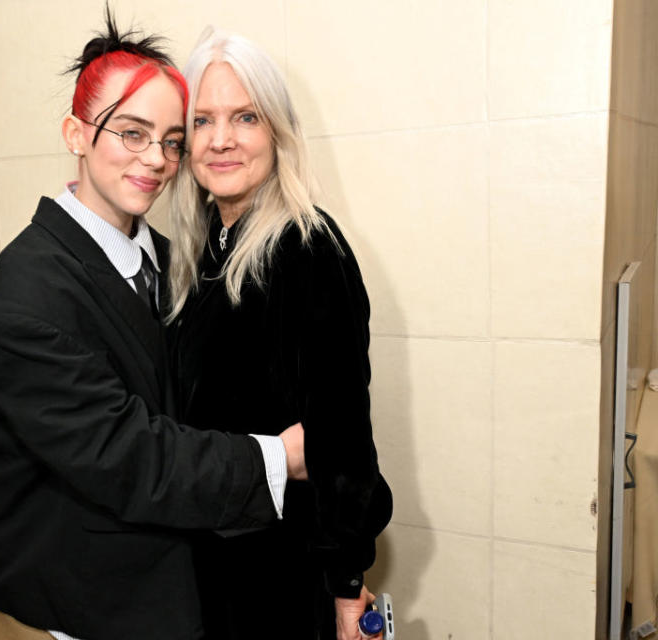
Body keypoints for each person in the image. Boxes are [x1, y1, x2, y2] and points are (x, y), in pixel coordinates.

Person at [0, 13, 306, 640]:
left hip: (154, 599)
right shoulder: (26, 296)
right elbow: (130, 456)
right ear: (76, 133)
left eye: (173, 140)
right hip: (61, 614)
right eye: (131, 133)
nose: (156, 159)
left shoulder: (170, 263)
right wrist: (281, 458)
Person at [166, 27, 394, 640]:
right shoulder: (201, 252)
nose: (221, 140)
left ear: (278, 132)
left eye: (245, 117)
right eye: (203, 121)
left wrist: (347, 590)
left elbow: (342, 437)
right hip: (214, 567)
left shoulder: (307, 248)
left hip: (282, 578)